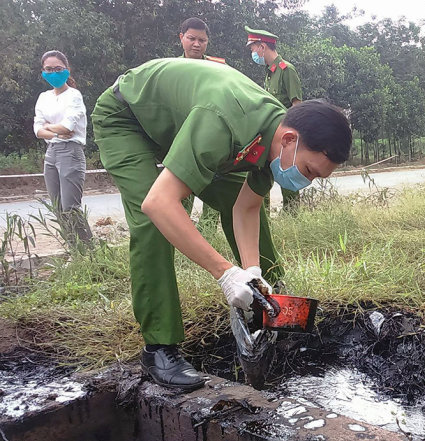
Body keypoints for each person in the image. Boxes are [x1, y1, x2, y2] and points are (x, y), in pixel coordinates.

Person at [91, 58, 351, 390]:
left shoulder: (272, 133)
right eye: (310, 170)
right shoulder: (225, 120)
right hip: (128, 118)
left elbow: (244, 208)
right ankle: (159, 349)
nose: (307, 180)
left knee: (236, 205)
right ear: (289, 140)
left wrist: (253, 270)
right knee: (154, 221)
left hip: (184, 123)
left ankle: (270, 308)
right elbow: (159, 203)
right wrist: (226, 274)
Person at [33, 50, 92, 246]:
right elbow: (37, 130)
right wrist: (56, 132)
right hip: (51, 153)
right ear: (43, 72)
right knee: (57, 207)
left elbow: (68, 127)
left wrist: (49, 127)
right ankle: (75, 251)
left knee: (71, 207)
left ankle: (89, 252)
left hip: (71, 152)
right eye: (48, 69)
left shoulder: (73, 95)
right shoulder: (43, 97)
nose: (53, 73)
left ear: (67, 70)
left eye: (58, 69)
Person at [246, 26, 303, 211]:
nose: (253, 52)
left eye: (253, 48)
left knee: (287, 179)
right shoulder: (269, 73)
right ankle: (263, 220)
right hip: (268, 134)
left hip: (284, 136)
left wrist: (292, 138)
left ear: (262, 47)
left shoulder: (287, 70)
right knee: (261, 178)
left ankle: (293, 218)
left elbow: (297, 105)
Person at [177, 17, 224, 230]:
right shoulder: (171, 68)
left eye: (202, 40)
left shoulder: (218, 68)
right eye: (191, 38)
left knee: (212, 188)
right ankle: (180, 231)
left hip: (210, 138)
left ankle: (209, 233)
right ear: (181, 38)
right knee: (179, 188)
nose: (196, 44)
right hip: (180, 138)